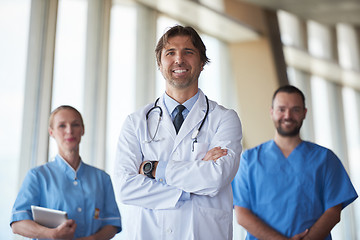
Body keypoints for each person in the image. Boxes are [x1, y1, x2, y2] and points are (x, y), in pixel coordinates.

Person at [114, 25, 242, 239]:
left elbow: (216, 178)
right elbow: (125, 187)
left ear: (202, 63)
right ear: (160, 63)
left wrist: (155, 169)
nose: (179, 60)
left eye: (188, 52)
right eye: (170, 52)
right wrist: (190, 187)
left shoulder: (224, 119)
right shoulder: (136, 122)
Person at [232, 85, 358, 240]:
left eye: (295, 109)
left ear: (304, 113)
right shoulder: (248, 160)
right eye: (281, 109)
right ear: (272, 112)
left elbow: (333, 211)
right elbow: (242, 214)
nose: (288, 115)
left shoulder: (325, 159)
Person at [11, 105, 122, 240]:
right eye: (62, 126)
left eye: (75, 125)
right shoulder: (37, 176)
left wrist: (92, 239)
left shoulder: (102, 178)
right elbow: (17, 223)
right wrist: (51, 234)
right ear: (51, 132)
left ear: (83, 130)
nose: (69, 131)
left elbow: (112, 223)